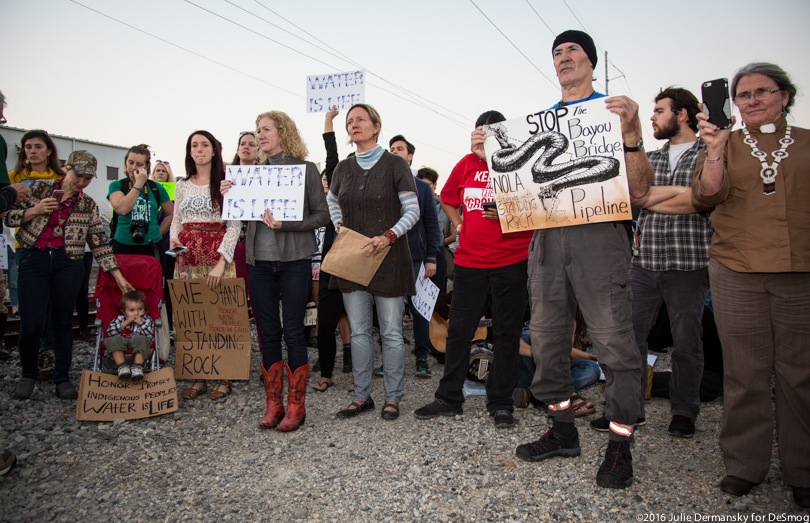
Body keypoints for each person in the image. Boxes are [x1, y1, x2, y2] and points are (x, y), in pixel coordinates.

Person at [503, 30, 653, 489]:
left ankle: (619, 444)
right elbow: (520, 191)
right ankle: (563, 430)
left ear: (590, 62)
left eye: (573, 51)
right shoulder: (539, 124)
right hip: (548, 238)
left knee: (614, 343)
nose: (564, 57)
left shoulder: (611, 113)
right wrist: (496, 157)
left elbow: (642, 188)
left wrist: (631, 137)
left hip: (599, 237)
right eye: (557, 53)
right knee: (547, 341)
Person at [693, 62, 810, 507]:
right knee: (745, 373)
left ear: (785, 95)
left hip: (800, 275)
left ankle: (803, 469)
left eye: (763, 91)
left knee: (800, 375)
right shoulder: (723, 144)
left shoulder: (806, 144)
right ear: (733, 104)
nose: (753, 99)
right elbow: (706, 196)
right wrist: (717, 150)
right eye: (743, 94)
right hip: (736, 271)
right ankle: (745, 465)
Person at [596, 87, 712, 439]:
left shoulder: (710, 155)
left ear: (682, 114)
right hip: (644, 262)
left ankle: (683, 411)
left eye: (660, 110)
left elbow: (702, 198)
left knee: (687, 343)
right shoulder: (650, 159)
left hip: (689, 262)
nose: (652, 117)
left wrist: (655, 197)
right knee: (629, 340)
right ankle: (627, 410)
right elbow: (635, 196)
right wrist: (673, 195)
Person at [414, 110, 533, 429]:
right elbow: (449, 199)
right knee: (460, 330)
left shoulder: (519, 163)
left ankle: (501, 402)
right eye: (481, 131)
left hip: (512, 259)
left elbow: (540, 205)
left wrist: (509, 209)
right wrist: (458, 223)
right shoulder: (466, 163)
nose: (486, 136)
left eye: (494, 132)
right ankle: (449, 397)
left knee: (507, 333)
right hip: (470, 262)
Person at [222, 111, 328, 432]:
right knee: (268, 333)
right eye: (257, 130)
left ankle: (297, 406)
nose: (260, 135)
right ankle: (274, 403)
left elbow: (321, 216)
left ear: (283, 132)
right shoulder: (250, 173)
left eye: (266, 129)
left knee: (294, 332)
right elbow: (240, 216)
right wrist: (231, 194)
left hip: (295, 261)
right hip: (259, 263)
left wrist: (287, 225)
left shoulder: (306, 170)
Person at [5, 150, 133, 399]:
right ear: (67, 168)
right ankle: (28, 373)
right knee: (31, 323)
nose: (82, 182)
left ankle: (61, 377)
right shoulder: (37, 190)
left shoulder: (87, 205)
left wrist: (118, 276)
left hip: (69, 261)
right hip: (35, 258)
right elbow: (9, 216)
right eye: (78, 175)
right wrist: (35, 211)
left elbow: (99, 242)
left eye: (88, 178)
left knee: (63, 322)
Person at [327, 103, 419, 421]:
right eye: (350, 121)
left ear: (376, 126)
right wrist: (340, 226)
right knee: (360, 331)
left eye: (361, 119)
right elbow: (332, 200)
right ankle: (362, 396)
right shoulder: (342, 168)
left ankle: (392, 398)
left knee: (392, 332)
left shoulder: (395, 164)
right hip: (353, 259)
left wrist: (389, 236)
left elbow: (413, 210)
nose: (354, 124)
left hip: (389, 257)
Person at [171, 131, 240, 401]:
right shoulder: (181, 184)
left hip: (216, 255)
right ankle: (200, 373)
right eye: (194, 146)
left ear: (214, 150)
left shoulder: (226, 184)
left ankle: (224, 375)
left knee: (221, 317)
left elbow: (234, 225)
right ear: (189, 152)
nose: (199, 149)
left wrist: (222, 262)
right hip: (188, 258)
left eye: (204, 145)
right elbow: (177, 220)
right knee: (194, 317)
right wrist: (175, 241)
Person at [9, 129, 64, 375]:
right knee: (32, 307)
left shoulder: (62, 177)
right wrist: (36, 210)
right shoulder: (14, 178)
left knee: (55, 308)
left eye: (37, 146)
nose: (32, 151)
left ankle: (50, 356)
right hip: (28, 249)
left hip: (59, 248)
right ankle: (29, 364)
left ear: (49, 150)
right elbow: (6, 214)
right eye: (28, 147)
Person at [388, 134, 442, 377]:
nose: (395, 152)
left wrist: (431, 257)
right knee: (391, 312)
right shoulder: (383, 185)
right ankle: (390, 361)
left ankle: (421, 358)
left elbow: (432, 224)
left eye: (400, 149)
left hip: (417, 258)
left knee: (420, 311)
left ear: (410, 156)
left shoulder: (421, 188)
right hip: (388, 258)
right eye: (391, 149)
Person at [314, 107, 354, 391]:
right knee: (326, 324)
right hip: (330, 267)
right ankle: (326, 373)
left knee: (360, 327)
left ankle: (359, 379)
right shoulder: (331, 198)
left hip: (358, 267)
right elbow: (332, 157)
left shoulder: (367, 196)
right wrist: (328, 121)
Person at [105, 290, 155, 381]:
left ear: (144, 309)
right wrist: (123, 324)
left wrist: (141, 324)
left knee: (143, 339)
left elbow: (151, 336)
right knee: (113, 340)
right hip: (121, 344)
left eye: (140, 309)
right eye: (131, 310)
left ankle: (137, 367)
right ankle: (122, 366)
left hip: (138, 345)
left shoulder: (147, 320)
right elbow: (109, 332)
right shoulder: (119, 319)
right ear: (124, 312)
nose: (136, 313)